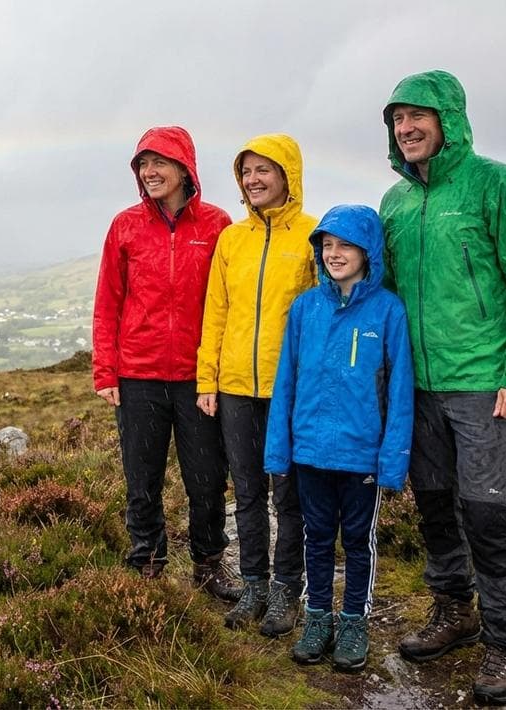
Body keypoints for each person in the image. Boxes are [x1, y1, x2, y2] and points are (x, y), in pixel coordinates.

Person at [379, 70, 506, 705]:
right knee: (432, 504)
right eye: (397, 120)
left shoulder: (497, 184)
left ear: (448, 119)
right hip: (420, 386)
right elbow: (389, 298)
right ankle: (453, 610)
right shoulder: (395, 203)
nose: (407, 129)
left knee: (484, 510)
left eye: (417, 116)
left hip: (484, 383)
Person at [92, 125, 239, 601]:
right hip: (138, 374)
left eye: (159, 162)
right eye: (142, 164)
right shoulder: (125, 225)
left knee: (207, 476)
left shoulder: (217, 225)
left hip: (199, 378)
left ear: (184, 168)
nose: (149, 172)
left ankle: (209, 563)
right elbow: (107, 302)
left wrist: (219, 370)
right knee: (142, 475)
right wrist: (105, 370)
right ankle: (147, 562)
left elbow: (229, 303)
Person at [264, 204, 413, 672]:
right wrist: (279, 449)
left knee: (357, 541)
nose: (334, 253)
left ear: (368, 251)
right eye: (327, 245)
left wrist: (392, 460)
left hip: (361, 455)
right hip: (310, 450)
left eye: (345, 244)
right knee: (316, 537)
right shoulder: (305, 308)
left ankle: (353, 621)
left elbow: (400, 389)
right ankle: (317, 618)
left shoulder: (388, 310)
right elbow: (286, 381)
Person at [196, 134, 316, 636]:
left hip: (288, 390)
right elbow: (216, 313)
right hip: (236, 389)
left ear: (288, 173)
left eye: (264, 169)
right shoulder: (231, 239)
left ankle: (288, 590)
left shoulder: (313, 234)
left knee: (289, 496)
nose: (254, 180)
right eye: (246, 172)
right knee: (246, 492)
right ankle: (254, 585)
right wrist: (208, 379)